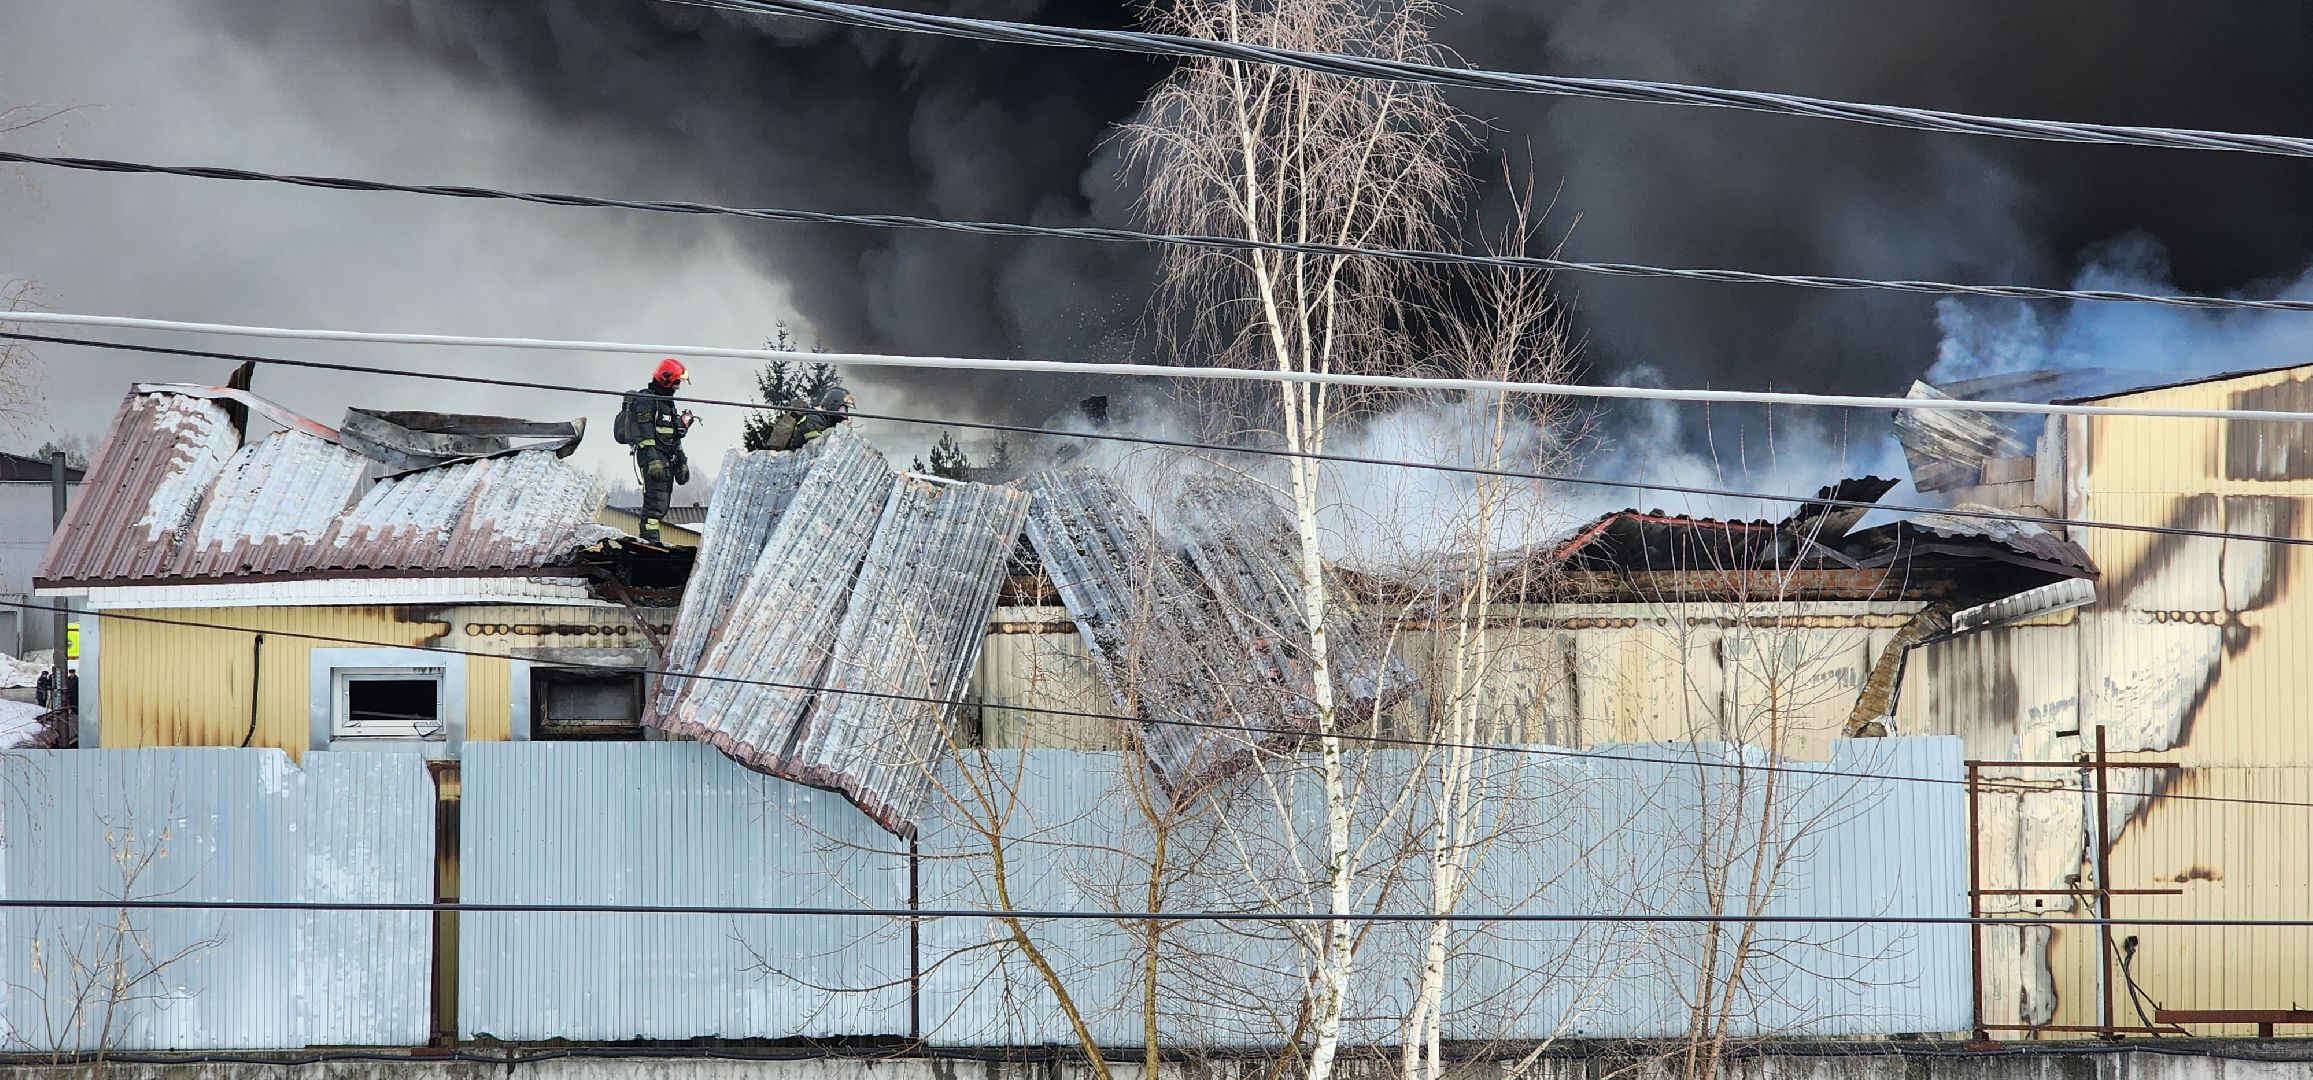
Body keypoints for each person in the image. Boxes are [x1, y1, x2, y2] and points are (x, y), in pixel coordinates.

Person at [623, 359, 698, 544]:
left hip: (666, 459)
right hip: (653, 459)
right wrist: (652, 460)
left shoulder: (667, 404)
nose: (678, 387)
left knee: (662, 504)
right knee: (655, 504)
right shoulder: (646, 400)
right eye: (676, 382)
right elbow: (645, 431)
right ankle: (650, 542)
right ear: (666, 379)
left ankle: (652, 541)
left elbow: (672, 436)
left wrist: (682, 459)